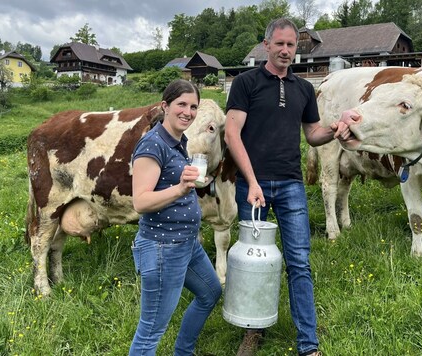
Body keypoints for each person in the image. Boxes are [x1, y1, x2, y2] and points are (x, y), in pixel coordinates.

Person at [224, 18, 353, 356]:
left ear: (297, 48)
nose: (285, 50)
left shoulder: (303, 89)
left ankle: (307, 344)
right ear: (266, 45)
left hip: (291, 185)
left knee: (299, 262)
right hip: (252, 187)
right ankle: (253, 331)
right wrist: (251, 182)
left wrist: (336, 128)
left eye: (291, 45)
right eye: (279, 44)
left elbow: (313, 134)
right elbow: (231, 134)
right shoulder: (245, 83)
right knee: (254, 261)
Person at [129, 79, 222, 356]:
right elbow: (141, 201)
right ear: (165, 106)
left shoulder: (179, 142)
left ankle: (183, 352)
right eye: (181, 104)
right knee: (150, 330)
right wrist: (181, 188)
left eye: (193, 106)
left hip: (186, 244)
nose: (188, 111)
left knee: (210, 293)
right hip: (162, 248)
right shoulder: (152, 145)